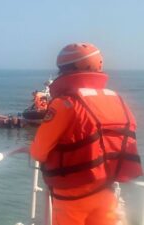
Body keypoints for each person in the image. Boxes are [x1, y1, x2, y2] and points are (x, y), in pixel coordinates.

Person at [23, 43, 142, 225]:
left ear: (65, 70)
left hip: (72, 197)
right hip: (106, 190)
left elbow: (39, 152)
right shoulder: (116, 99)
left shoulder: (64, 104)